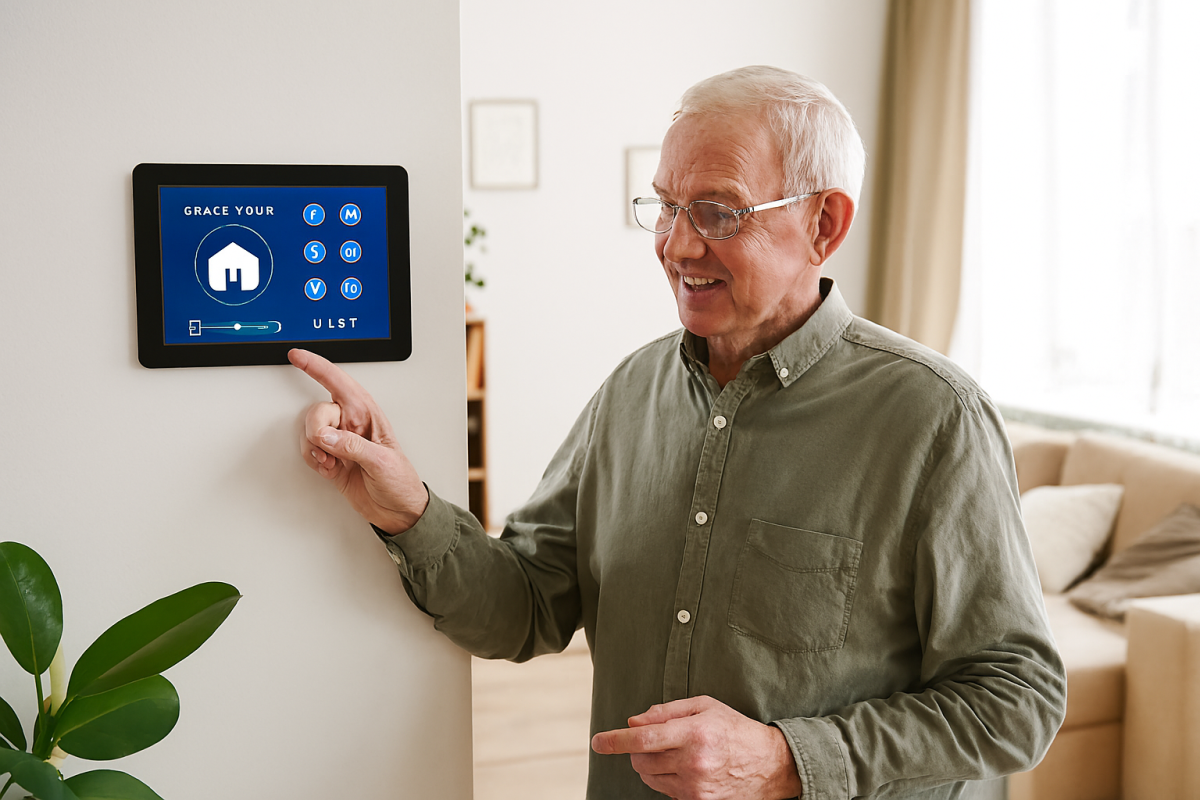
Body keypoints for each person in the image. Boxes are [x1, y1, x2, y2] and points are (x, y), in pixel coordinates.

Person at [291, 66, 1066, 800]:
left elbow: (1017, 700)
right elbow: (526, 609)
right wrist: (406, 511)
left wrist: (783, 761)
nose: (677, 244)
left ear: (822, 224)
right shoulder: (630, 394)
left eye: (719, 211)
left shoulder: (935, 418)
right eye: (666, 205)